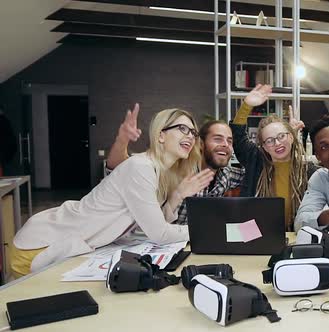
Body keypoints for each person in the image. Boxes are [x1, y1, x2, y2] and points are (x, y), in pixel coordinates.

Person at [10, 108, 213, 277]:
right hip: (41, 245)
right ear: (161, 135)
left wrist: (177, 195)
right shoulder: (140, 167)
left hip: (72, 244)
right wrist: (211, 230)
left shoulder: (161, 173)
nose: (190, 136)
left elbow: (153, 225)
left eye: (193, 133)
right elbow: (159, 233)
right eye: (182, 129)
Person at [106, 103, 245, 225]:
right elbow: (119, 169)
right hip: (162, 242)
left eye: (229, 141)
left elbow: (258, 170)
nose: (225, 145)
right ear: (201, 144)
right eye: (218, 139)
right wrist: (122, 140)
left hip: (196, 243)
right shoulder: (178, 165)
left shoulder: (226, 175)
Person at [230, 84, 313, 231]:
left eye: (281, 136)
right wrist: (246, 106)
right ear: (264, 146)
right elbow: (238, 137)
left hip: (298, 236)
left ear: (292, 137)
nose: (277, 143)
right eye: (270, 140)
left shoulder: (308, 170)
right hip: (257, 235)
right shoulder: (256, 161)